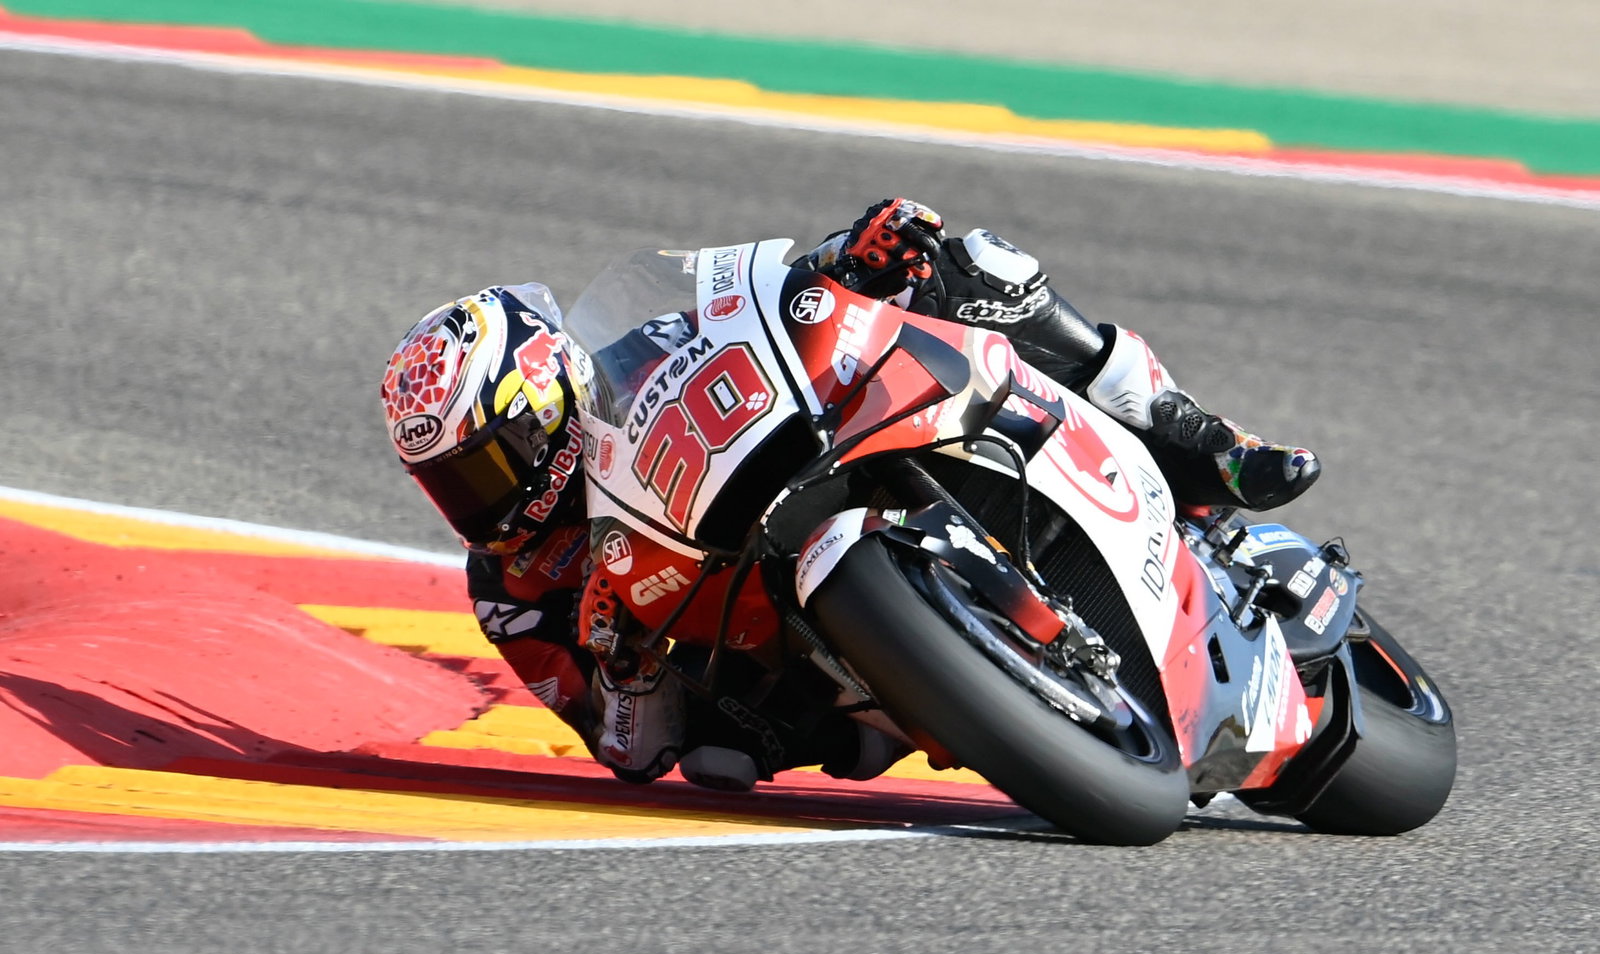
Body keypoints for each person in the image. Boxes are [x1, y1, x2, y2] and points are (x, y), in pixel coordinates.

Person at [378, 198, 1319, 792]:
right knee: (715, 764)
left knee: (972, 265)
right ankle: (967, 683)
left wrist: (853, 255)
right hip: (781, 678)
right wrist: (620, 665)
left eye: (485, 466)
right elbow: (631, 753)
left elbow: (764, 311)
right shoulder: (510, 590)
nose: (476, 504)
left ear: (545, 398)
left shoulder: (633, 353)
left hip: (797, 477)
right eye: (449, 484)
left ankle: (1202, 438)